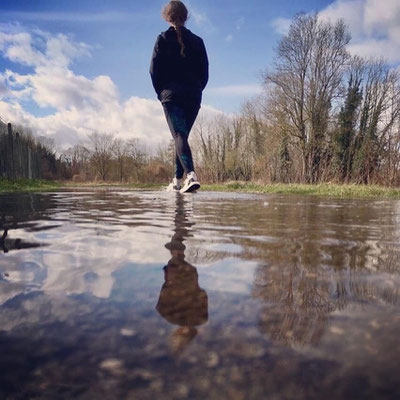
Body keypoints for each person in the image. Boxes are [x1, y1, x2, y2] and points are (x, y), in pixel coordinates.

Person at [150, 1, 209, 193]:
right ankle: (176, 180)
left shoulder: (162, 39)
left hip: (172, 96)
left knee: (179, 135)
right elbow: (205, 73)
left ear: (167, 16)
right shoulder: (198, 41)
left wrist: (161, 93)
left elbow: (153, 70)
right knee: (181, 136)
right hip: (193, 96)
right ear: (186, 16)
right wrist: (197, 90)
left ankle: (191, 175)